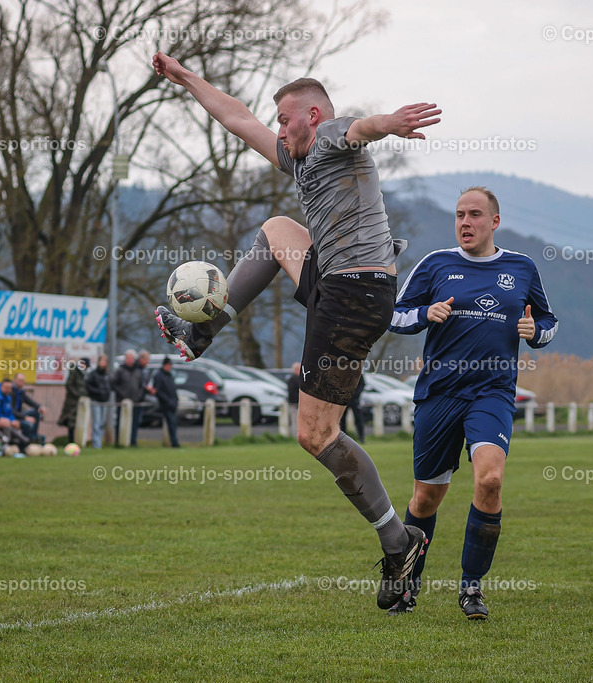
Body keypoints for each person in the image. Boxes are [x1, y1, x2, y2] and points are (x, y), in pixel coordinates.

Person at [151, 52, 439, 608]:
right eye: (278, 122)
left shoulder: (330, 136)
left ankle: (399, 541)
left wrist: (392, 122)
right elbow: (238, 120)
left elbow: (362, 126)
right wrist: (186, 77)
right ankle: (202, 330)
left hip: (354, 297)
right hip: (340, 284)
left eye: (286, 119)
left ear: (311, 115)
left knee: (315, 435)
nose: (279, 129)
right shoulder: (298, 158)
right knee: (278, 228)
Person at [387, 187, 559, 619]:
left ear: (494, 222)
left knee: (490, 481)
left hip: (492, 393)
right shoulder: (436, 264)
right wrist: (426, 314)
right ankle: (407, 584)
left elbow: (549, 320)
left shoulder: (521, 267)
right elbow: (392, 313)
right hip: (439, 394)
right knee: (426, 498)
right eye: (460, 214)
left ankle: (471, 588)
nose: (466, 222)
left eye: (475, 215)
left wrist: (534, 331)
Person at [111, 349, 144, 446]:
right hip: (122, 402)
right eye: (128, 358)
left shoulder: (138, 371)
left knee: (134, 423)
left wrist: (138, 396)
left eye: (132, 358)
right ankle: (119, 441)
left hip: (135, 402)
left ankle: (132, 441)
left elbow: (141, 386)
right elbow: (113, 384)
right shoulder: (120, 371)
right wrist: (122, 395)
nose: (130, 360)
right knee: (120, 422)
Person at [58, 358, 88, 443]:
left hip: (81, 402)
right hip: (72, 402)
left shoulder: (84, 374)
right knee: (71, 422)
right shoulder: (74, 371)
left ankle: (77, 441)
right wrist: (77, 395)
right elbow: (69, 384)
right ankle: (71, 441)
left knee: (78, 422)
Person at [153, 356, 180, 448]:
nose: (170, 367)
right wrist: (168, 401)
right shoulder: (159, 376)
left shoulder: (169, 375)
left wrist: (175, 400)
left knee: (173, 423)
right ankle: (174, 442)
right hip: (166, 404)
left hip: (172, 403)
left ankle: (174, 441)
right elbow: (158, 391)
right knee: (171, 423)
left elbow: (173, 390)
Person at [86, 354, 111, 448]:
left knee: (101, 423)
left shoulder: (107, 375)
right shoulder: (93, 374)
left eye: (105, 361)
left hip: (104, 401)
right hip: (96, 400)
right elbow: (88, 387)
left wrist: (106, 394)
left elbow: (109, 387)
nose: (103, 363)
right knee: (96, 423)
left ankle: (99, 441)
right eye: (101, 361)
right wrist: (98, 392)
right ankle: (97, 445)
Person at [11, 373, 44, 443]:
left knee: (36, 412)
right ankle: (28, 440)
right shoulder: (10, 391)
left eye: (23, 381)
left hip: (19, 414)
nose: (21, 382)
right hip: (12, 416)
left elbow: (30, 402)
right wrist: (25, 418)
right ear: (14, 380)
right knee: (28, 424)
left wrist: (40, 407)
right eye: (19, 380)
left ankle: (34, 436)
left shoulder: (21, 392)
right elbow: (12, 411)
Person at [339, 376, 366, 444]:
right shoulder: (343, 373)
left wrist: (356, 395)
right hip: (345, 399)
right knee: (342, 420)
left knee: (358, 419)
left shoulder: (357, 373)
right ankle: (344, 438)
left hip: (355, 400)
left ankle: (361, 437)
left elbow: (362, 384)